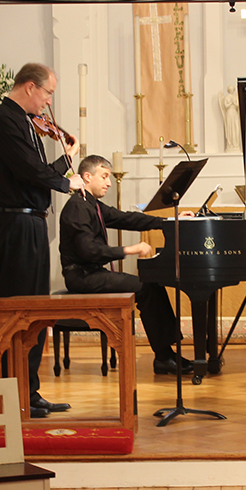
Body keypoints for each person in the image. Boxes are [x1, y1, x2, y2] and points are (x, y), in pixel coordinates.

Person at [0, 62, 85, 419]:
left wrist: (64, 163)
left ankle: (31, 389)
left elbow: (33, 174)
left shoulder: (23, 121)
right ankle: (14, 394)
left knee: (37, 311)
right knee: (19, 312)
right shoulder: (2, 121)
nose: (49, 101)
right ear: (29, 87)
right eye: (48, 93)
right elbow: (28, 170)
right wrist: (66, 180)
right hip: (15, 226)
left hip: (32, 224)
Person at [59, 155, 193, 375]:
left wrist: (169, 222)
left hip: (92, 273)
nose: (109, 183)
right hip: (81, 276)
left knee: (151, 285)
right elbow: (88, 250)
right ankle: (164, 356)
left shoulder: (93, 205)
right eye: (104, 177)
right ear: (87, 176)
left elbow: (127, 218)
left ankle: (165, 354)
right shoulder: (77, 207)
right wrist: (129, 250)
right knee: (147, 287)